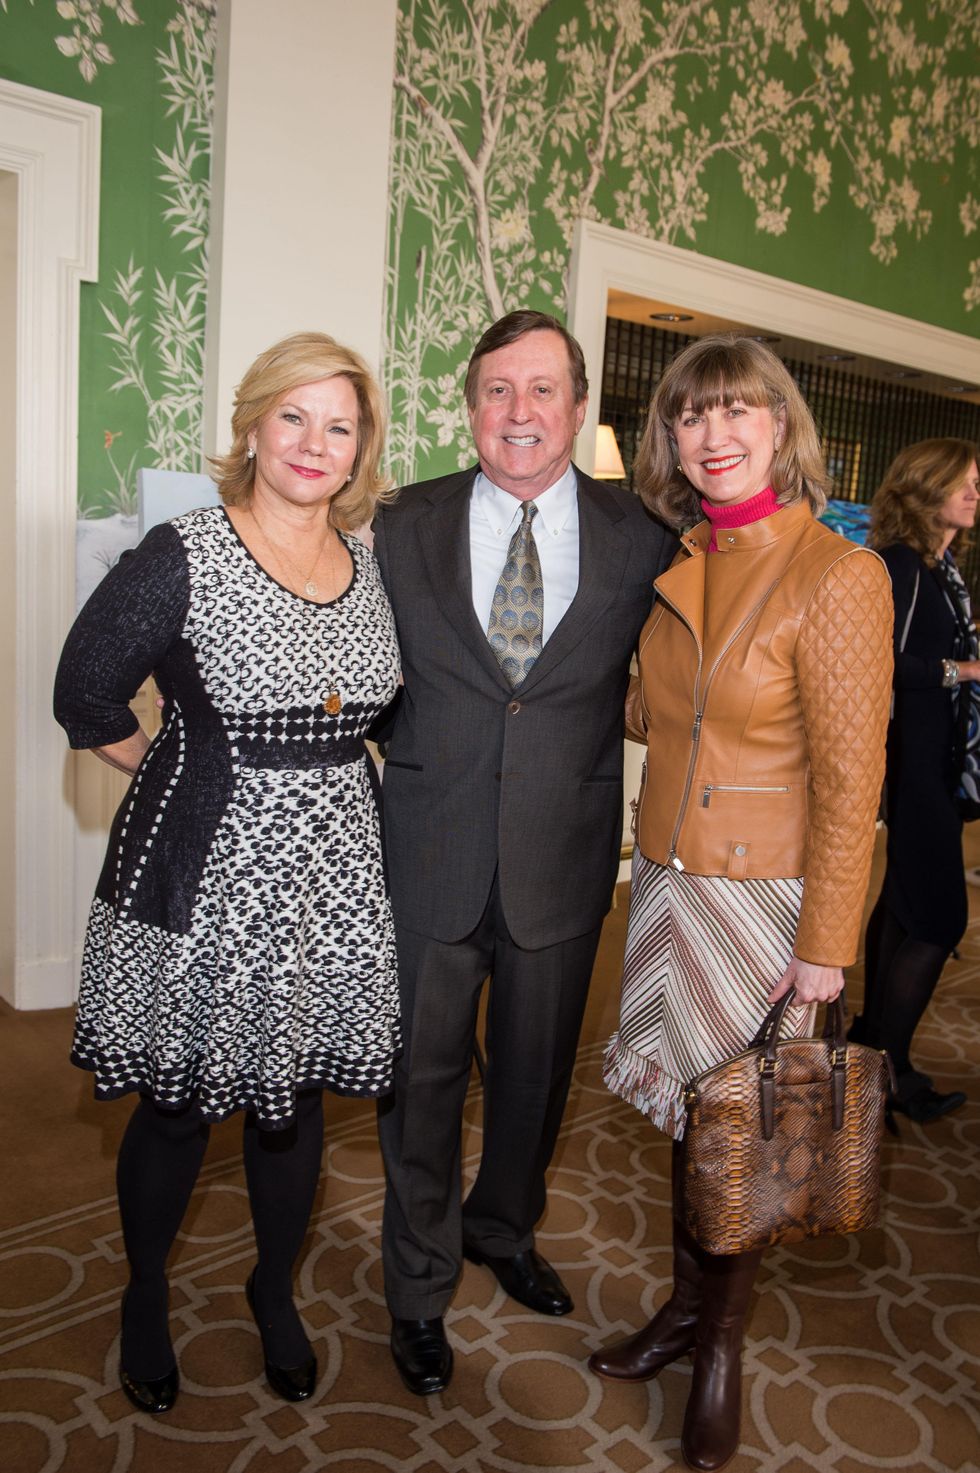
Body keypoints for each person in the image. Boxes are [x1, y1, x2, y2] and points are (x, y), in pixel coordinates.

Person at [54, 332, 401, 1414]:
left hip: (332, 876)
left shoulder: (373, 563)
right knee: (173, 1106)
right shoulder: (183, 551)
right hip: (204, 874)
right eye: (291, 416)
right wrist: (179, 759)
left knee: (290, 1105)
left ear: (358, 452)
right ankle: (144, 1294)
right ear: (251, 426)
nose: (313, 443)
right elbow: (86, 694)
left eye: (337, 425)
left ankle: (272, 1290)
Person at [588, 335, 893, 1472]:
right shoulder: (685, 559)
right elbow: (661, 713)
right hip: (670, 880)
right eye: (688, 416)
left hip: (767, 898)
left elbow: (855, 781)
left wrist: (824, 951)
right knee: (688, 1121)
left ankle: (720, 1347)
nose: (710, 436)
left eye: (734, 412)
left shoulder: (835, 574)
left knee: (744, 1139)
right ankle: (679, 1312)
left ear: (779, 426)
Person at [372, 309, 676, 1396]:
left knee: (537, 1077)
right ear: (468, 405)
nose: (519, 412)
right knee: (419, 1080)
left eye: (541, 389)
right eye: (497, 389)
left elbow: (684, 677)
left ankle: (501, 1230)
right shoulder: (398, 521)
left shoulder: (642, 536)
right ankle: (415, 1285)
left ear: (579, 407)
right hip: (427, 851)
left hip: (562, 855)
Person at [849, 438, 979, 1123]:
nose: (976, 495)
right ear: (928, 488)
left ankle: (872, 1043)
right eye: (967, 483)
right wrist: (964, 669)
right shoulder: (901, 564)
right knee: (939, 916)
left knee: (903, 904)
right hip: (912, 763)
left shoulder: (942, 566)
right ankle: (886, 1070)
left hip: (933, 761)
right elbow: (879, 663)